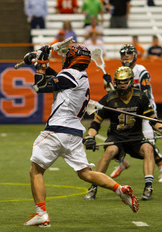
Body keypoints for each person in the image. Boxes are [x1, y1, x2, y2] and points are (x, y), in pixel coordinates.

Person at [21, 45, 139, 226]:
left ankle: (41, 213)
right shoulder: (80, 76)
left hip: (56, 130)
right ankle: (119, 189)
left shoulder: (70, 75)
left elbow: (40, 86)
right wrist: (38, 63)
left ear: (72, 59)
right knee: (85, 173)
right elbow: (56, 78)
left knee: (35, 171)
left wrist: (40, 66)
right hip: (74, 133)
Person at [84, 66, 162, 201]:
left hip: (135, 137)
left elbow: (152, 120)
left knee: (149, 148)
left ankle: (148, 186)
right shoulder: (109, 99)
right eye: (119, 83)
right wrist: (90, 136)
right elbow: (96, 123)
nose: (122, 86)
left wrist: (160, 128)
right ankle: (93, 186)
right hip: (116, 137)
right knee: (109, 151)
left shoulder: (140, 97)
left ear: (131, 82)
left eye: (124, 82)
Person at [102, 44, 162, 183]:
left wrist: (137, 107)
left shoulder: (140, 70)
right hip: (127, 112)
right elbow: (113, 94)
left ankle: (160, 167)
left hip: (144, 111)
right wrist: (108, 84)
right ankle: (122, 162)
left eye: (129, 53)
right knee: (116, 139)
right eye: (123, 54)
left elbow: (145, 92)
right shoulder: (120, 71)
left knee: (148, 142)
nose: (126, 56)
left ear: (135, 55)